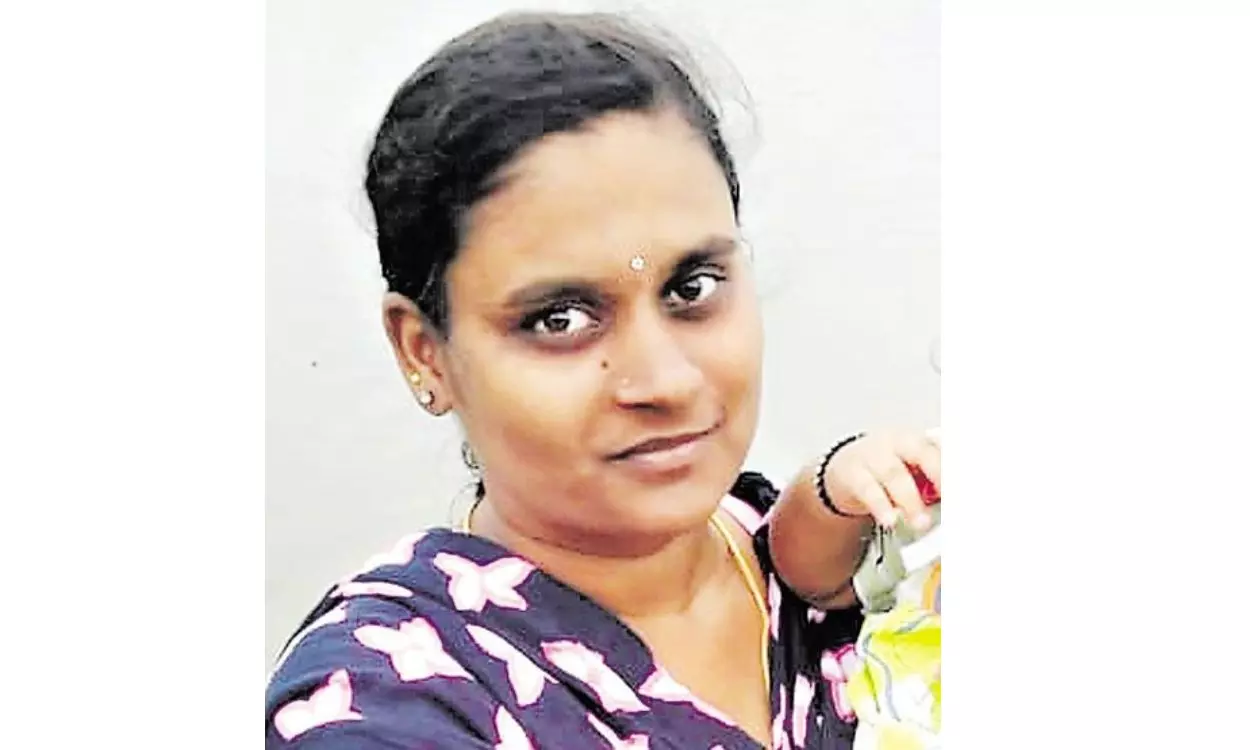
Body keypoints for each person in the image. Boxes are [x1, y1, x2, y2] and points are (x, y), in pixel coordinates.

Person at [265, 11, 940, 749]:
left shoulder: (832, 556)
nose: (666, 381)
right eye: (559, 319)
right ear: (425, 353)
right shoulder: (387, 702)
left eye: (691, 287)